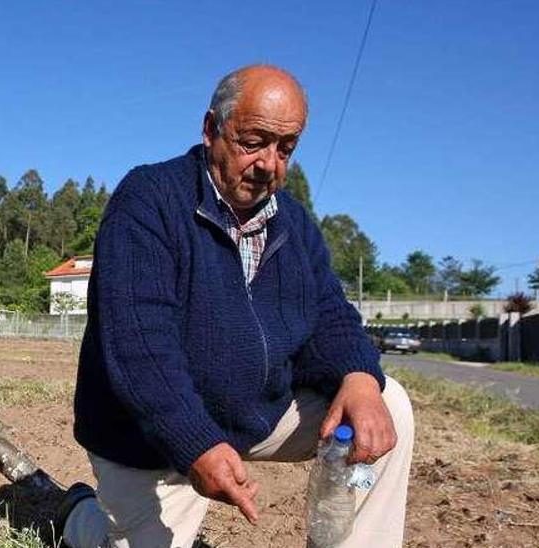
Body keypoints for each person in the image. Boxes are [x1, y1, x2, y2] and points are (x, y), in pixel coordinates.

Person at [54, 65, 415, 548]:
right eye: (254, 142)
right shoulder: (149, 201)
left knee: (384, 401)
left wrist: (358, 377)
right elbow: (141, 348)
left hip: (251, 419)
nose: (269, 164)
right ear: (210, 130)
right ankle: (80, 515)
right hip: (153, 439)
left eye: (285, 148)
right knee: (121, 541)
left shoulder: (293, 223)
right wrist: (196, 443)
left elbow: (329, 315)